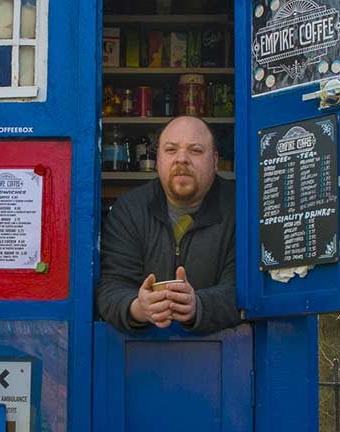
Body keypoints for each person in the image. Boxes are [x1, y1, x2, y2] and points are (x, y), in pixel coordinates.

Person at [97, 115, 241, 334]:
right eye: (171, 150)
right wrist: (137, 307)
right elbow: (110, 287)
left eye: (195, 150)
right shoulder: (129, 210)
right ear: (158, 161)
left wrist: (198, 305)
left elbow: (245, 290)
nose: (181, 159)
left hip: (228, 354)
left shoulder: (240, 209)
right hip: (140, 355)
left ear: (214, 161)